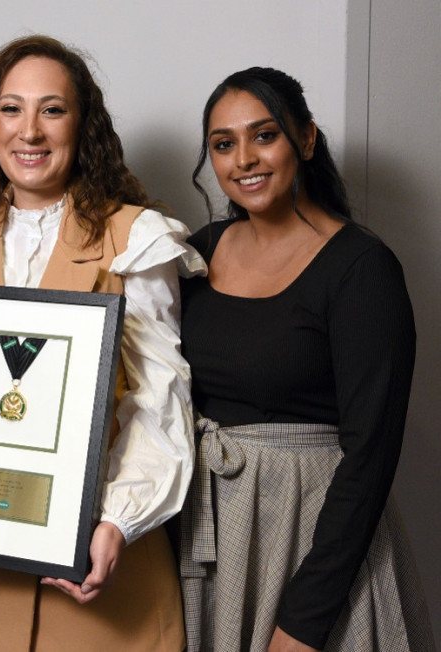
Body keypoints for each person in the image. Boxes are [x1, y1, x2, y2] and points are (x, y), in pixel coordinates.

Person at [0, 35, 204, 651]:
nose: (29, 131)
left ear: (82, 125)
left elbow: (158, 400)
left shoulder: (136, 238)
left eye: (52, 109)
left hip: (104, 584)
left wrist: (118, 523)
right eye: (11, 109)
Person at [179, 66, 434, 652]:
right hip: (211, 537)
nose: (243, 158)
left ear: (307, 140)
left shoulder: (361, 268)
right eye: (224, 144)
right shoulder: (197, 252)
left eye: (264, 136)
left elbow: (370, 455)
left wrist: (304, 622)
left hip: (311, 540)